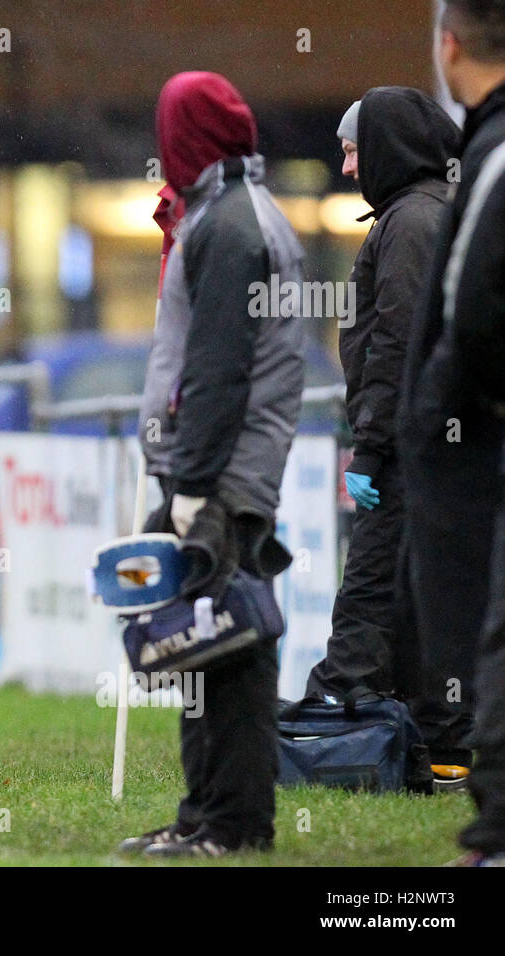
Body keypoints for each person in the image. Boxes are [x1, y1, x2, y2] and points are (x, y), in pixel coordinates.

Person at [120, 71, 304, 857]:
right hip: (218, 463)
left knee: (226, 653)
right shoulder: (227, 213)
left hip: (222, 470)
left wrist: (193, 488)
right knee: (202, 646)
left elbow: (219, 372)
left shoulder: (229, 226)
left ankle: (230, 826)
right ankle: (206, 813)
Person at [305, 90, 458, 719]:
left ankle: (344, 714)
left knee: (370, 585)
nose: (346, 168)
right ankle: (432, 740)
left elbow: (397, 341)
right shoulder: (427, 213)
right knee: (417, 597)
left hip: (404, 447)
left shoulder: (412, 222)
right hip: (420, 443)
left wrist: (370, 448)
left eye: (351, 152)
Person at [425, 0, 505, 864]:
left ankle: (494, 834)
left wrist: (458, 411)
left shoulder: (491, 154)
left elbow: (470, 315)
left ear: (450, 45)